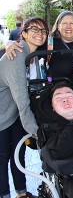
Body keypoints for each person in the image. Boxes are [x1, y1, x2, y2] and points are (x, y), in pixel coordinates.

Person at [0, 17, 49, 198]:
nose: (39, 33)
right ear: (24, 33)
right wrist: (38, 132)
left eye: (43, 30)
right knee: (2, 156)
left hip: (13, 114)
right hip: (2, 113)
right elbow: (22, 100)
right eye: (34, 29)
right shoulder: (17, 55)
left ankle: (21, 193)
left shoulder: (32, 55)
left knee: (17, 154)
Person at [6, 11, 73, 88]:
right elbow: (28, 44)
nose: (68, 26)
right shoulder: (49, 43)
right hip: (60, 101)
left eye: (72, 23)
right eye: (64, 23)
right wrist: (9, 43)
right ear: (58, 26)